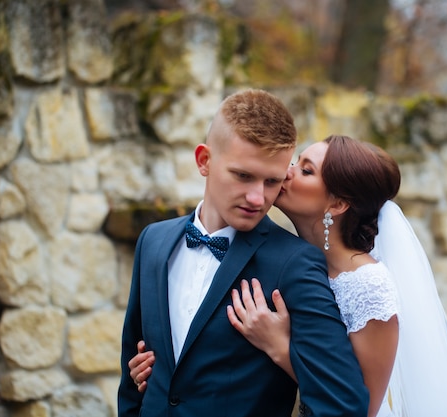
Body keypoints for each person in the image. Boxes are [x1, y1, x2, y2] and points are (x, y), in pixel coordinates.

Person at [129, 134, 447, 416]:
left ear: (338, 204)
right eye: (297, 162)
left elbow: (363, 407)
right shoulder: (283, 261)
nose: (288, 172)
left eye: (307, 171)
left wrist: (281, 347)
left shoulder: (368, 285)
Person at [118, 90, 369, 417]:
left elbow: (345, 404)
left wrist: (283, 350)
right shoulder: (153, 240)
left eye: (271, 182)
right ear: (204, 161)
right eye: (243, 176)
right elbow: (131, 376)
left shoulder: (294, 264)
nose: (256, 197)